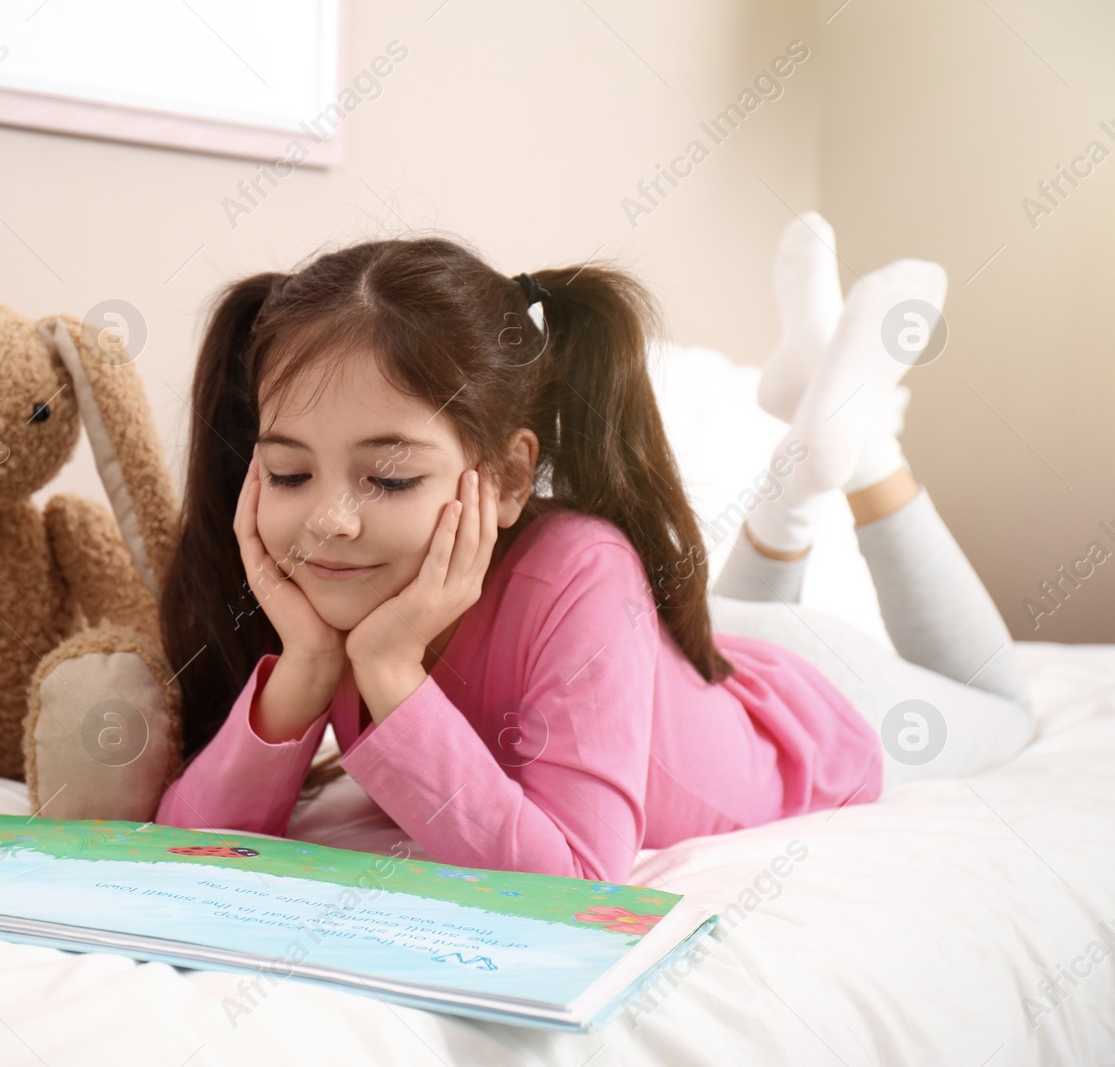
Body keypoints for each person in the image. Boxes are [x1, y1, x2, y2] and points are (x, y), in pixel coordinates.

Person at [152, 219, 1035, 883]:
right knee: (715, 633)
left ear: (503, 477)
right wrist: (307, 663)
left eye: (388, 480)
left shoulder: (582, 564)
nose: (329, 523)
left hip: (821, 698)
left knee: (1007, 707)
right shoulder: (341, 597)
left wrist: (389, 671)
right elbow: (182, 844)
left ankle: (863, 449)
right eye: (289, 473)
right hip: (682, 666)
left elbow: (573, 878)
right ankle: (802, 464)